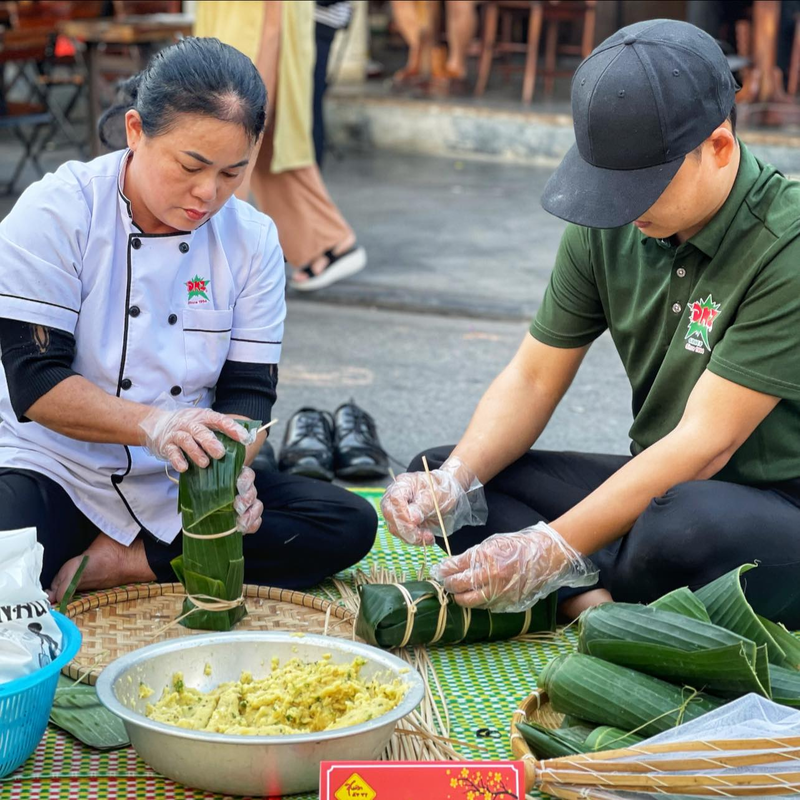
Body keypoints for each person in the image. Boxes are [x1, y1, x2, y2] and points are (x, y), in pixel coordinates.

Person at [381, 20, 800, 627]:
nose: (622, 210)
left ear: (719, 148)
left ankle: (580, 581)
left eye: (642, 188)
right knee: (449, 484)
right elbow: (532, 378)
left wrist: (554, 546)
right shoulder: (612, 220)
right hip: (662, 481)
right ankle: (594, 594)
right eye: (609, 186)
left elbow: (708, 443)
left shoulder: (784, 244)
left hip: (771, 501)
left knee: (679, 526)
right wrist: (456, 478)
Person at [0, 37, 377, 603]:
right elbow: (36, 383)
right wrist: (156, 424)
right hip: (56, 466)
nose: (209, 193)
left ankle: (132, 560)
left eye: (233, 173)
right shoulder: (58, 211)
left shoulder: (251, 240)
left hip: (181, 479)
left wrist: (229, 475)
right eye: (191, 165)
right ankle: (134, 550)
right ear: (135, 131)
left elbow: (249, 398)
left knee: (345, 522)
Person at [195, 1, 366, 292]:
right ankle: (326, 241)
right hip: (239, 30)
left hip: (252, 30)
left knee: (232, 138)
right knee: (267, 143)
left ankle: (206, 261)